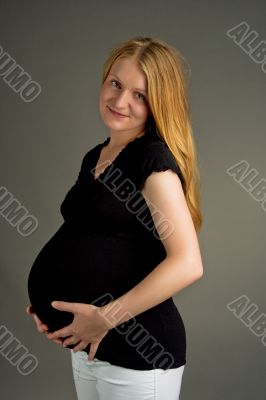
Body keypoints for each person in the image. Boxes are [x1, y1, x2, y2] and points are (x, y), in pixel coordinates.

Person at [26, 36, 203, 400]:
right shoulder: (98, 155)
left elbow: (188, 263)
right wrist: (52, 307)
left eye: (139, 95)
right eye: (115, 84)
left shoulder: (152, 161)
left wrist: (103, 318)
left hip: (139, 353)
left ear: (158, 103)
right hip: (90, 347)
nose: (120, 101)